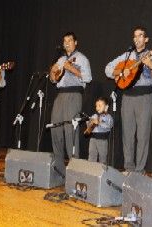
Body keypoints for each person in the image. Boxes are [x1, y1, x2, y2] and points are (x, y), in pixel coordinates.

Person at [105, 26, 152, 173]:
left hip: (144, 98)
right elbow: (107, 69)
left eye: (140, 36)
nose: (137, 39)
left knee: (142, 135)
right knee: (127, 134)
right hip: (127, 98)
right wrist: (121, 71)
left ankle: (139, 170)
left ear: (146, 39)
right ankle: (129, 168)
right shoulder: (127, 56)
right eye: (135, 36)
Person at [49, 32, 92, 167]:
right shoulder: (60, 59)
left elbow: (88, 78)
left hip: (74, 93)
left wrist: (72, 69)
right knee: (55, 127)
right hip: (60, 94)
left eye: (69, 40)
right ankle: (59, 166)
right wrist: (52, 72)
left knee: (70, 130)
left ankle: (74, 166)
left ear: (75, 42)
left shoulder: (82, 59)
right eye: (65, 41)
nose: (67, 43)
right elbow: (52, 80)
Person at [86, 97, 113, 164]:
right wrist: (89, 122)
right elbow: (89, 128)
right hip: (93, 139)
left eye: (100, 106)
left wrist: (99, 122)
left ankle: (102, 172)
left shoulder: (108, 116)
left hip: (102, 140)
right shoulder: (94, 115)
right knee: (91, 156)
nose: (97, 108)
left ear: (106, 106)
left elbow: (109, 125)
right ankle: (91, 172)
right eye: (96, 106)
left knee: (102, 158)